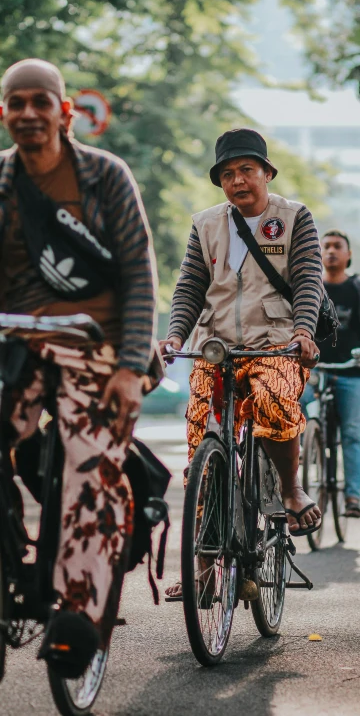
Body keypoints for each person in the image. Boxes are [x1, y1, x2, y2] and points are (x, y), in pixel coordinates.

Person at [0, 59, 158, 676]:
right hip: (20, 341)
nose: (30, 113)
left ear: (65, 113)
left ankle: (77, 614)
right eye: (18, 104)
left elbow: (141, 275)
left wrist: (128, 369)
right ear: (5, 114)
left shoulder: (105, 176)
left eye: (42, 102)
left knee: (89, 466)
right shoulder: (4, 185)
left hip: (100, 346)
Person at [160, 128, 324, 598]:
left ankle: (290, 490)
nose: (237, 181)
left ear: (267, 173)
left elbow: (310, 278)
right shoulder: (206, 224)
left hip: (276, 342)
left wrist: (303, 331)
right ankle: (206, 564)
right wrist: (174, 336)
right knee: (201, 448)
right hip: (217, 347)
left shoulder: (294, 217)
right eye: (228, 174)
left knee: (274, 400)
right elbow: (190, 287)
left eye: (246, 170)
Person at [302, 230, 360, 518]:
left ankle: (352, 497)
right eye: (326, 246)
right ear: (318, 253)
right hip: (312, 370)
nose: (331, 251)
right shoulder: (310, 286)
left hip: (351, 371)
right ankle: (302, 450)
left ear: (348, 255)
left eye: (338, 246)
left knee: (351, 433)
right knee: (288, 405)